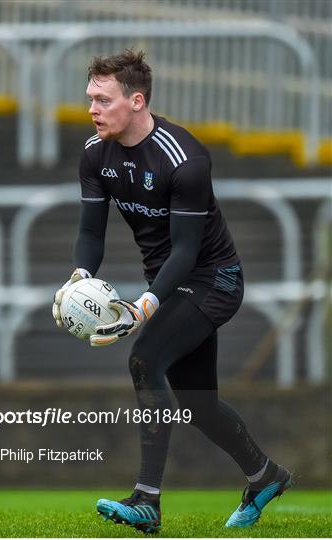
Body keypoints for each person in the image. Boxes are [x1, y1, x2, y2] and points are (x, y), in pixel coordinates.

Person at [52, 49, 292, 534]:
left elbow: (185, 251)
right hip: (171, 282)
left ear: (137, 101)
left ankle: (147, 500)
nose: (92, 110)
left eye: (103, 99)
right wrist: (79, 276)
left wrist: (143, 307)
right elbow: (92, 233)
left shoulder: (186, 159)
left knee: (144, 358)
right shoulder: (95, 155)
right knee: (198, 404)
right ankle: (265, 475)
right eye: (89, 99)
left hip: (213, 279)